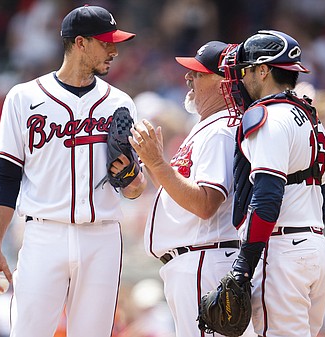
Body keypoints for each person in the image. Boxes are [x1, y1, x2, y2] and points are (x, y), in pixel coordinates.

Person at [0, 5, 147, 337]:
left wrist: (131, 176)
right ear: (80, 43)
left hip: (102, 235)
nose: (114, 50)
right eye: (106, 42)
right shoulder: (23, 98)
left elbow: (135, 189)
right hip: (44, 233)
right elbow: (6, 178)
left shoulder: (121, 102)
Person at [216, 30, 325, 337]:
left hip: (282, 251)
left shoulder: (269, 117)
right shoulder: (310, 117)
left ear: (263, 70)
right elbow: (324, 201)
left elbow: (267, 198)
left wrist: (244, 264)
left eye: (246, 70)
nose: (241, 78)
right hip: (315, 248)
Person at [129, 41, 242, 336]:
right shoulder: (209, 126)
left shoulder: (220, 131)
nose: (188, 78)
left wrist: (158, 163)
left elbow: (205, 204)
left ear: (223, 83)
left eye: (199, 73)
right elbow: (180, 196)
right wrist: (152, 165)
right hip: (196, 260)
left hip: (205, 260)